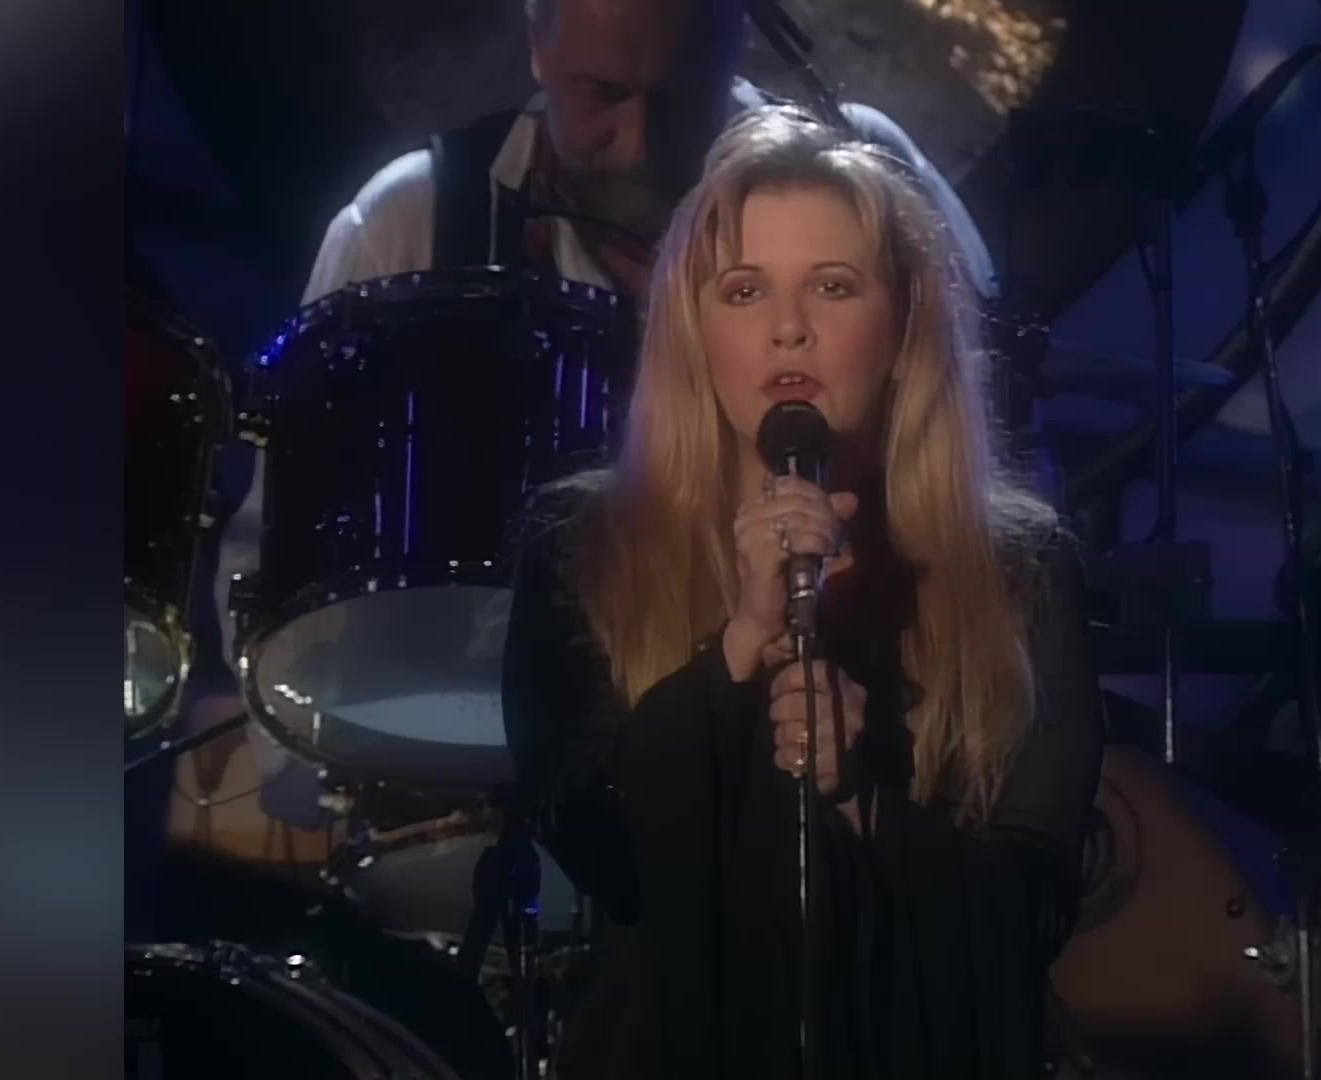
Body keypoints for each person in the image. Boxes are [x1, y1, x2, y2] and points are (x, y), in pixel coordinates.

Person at [200, 0, 996, 827]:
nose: (641, 143)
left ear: (734, 48)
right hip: (474, 803)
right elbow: (276, 542)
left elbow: (978, 437)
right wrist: (314, 768)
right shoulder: (409, 222)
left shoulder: (863, 175)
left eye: (678, 95)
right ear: (537, 46)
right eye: (603, 93)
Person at [501, 105, 1104, 1078]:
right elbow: (604, 855)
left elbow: (1031, 915)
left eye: (833, 286)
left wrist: (862, 801)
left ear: (904, 326)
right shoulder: (587, 547)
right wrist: (735, 654)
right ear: (693, 332)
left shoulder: (1019, 570)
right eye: (744, 291)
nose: (789, 328)